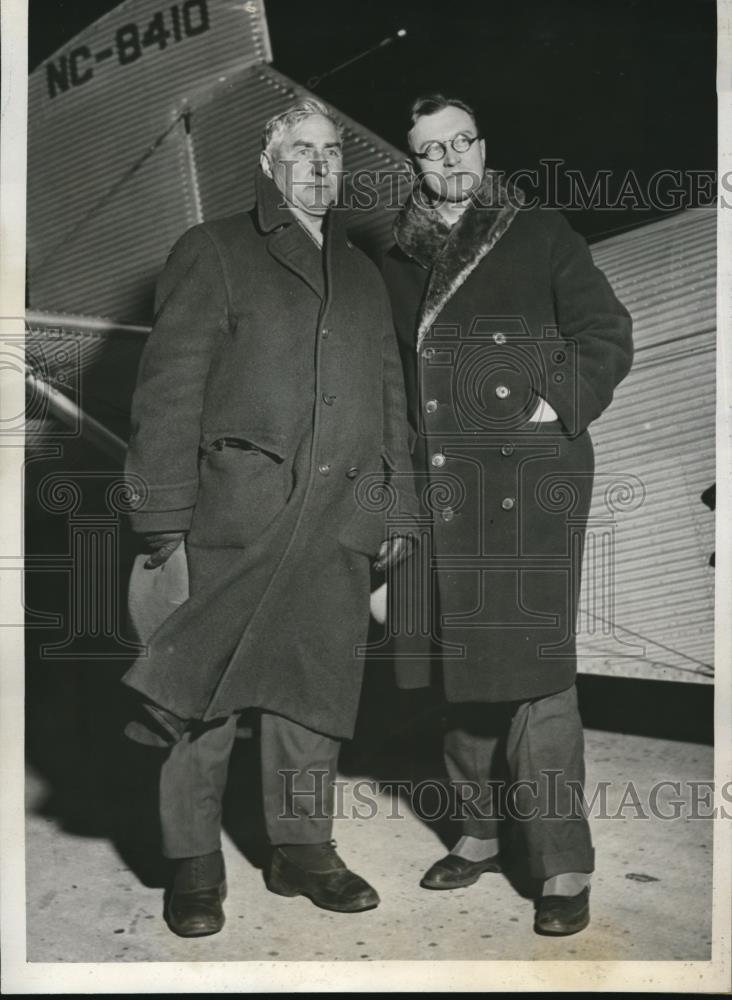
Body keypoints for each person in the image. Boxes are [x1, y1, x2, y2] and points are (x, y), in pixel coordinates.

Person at [122, 98, 417, 937]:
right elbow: (168, 397)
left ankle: (301, 850)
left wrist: (394, 507)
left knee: (312, 694)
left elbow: (390, 404)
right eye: (302, 151)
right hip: (232, 515)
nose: (321, 167)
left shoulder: (362, 271)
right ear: (268, 160)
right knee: (199, 695)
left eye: (332, 153)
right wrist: (162, 525)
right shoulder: (212, 251)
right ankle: (193, 863)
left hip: (338, 521)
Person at [380, 94, 634, 936]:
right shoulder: (395, 258)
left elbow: (605, 333)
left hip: (525, 491)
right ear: (413, 164)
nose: (449, 159)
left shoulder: (538, 230)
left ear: (483, 147)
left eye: (460, 142)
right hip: (435, 490)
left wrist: (550, 403)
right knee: (456, 679)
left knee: (536, 681)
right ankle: (481, 832)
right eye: (429, 150)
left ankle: (561, 863)